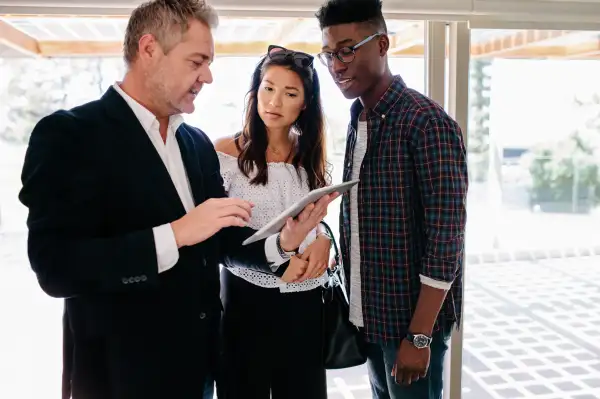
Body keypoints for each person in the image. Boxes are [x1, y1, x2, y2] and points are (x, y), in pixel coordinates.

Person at [18, 1, 335, 399]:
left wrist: (284, 242)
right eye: (197, 61)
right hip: (120, 378)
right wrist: (176, 234)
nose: (209, 76)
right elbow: (56, 268)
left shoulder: (195, 143)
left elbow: (222, 241)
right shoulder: (70, 136)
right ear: (149, 49)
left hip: (201, 372)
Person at [315, 0, 469, 398]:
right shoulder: (359, 120)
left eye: (347, 49)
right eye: (329, 54)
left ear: (382, 45)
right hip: (371, 320)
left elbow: (446, 240)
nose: (337, 65)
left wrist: (419, 338)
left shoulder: (425, 122)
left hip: (410, 329)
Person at [213, 45, 332, 399]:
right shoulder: (224, 152)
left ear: (305, 103)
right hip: (246, 303)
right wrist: (281, 255)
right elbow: (218, 238)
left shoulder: (310, 156)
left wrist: (324, 239)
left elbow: (316, 220)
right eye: (268, 88)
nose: (274, 102)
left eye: (289, 93)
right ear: (255, 91)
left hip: (306, 304)